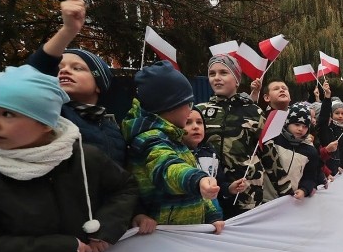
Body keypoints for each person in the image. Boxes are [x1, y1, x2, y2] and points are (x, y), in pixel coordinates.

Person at [0, 65, 137, 252]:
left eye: (7, 114)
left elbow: (125, 187)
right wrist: (57, 250)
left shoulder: (85, 158)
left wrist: (106, 227)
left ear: (46, 122)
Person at [26, 0, 126, 168]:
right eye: (59, 68)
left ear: (99, 86)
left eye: (77, 68)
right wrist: (67, 31)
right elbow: (35, 72)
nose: (64, 70)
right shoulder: (53, 114)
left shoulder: (113, 129)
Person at [123, 62, 224, 230]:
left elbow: (197, 194)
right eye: (189, 104)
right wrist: (197, 180)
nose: (190, 110)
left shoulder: (174, 138)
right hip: (163, 236)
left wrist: (212, 216)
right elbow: (167, 168)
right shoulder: (150, 139)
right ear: (170, 107)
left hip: (185, 232)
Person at [198, 55, 292, 217]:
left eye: (223, 73)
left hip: (247, 194)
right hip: (209, 194)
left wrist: (287, 191)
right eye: (212, 74)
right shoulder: (201, 111)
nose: (217, 78)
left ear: (236, 79)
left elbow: (269, 153)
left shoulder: (254, 112)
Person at [274, 103, 324, 200]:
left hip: (290, 198)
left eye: (305, 126)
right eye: (296, 124)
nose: (300, 129)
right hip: (267, 197)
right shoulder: (274, 140)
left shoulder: (310, 151)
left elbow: (310, 176)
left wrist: (304, 189)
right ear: (287, 122)